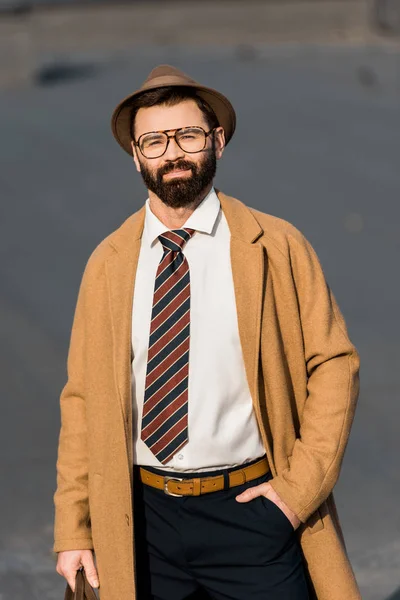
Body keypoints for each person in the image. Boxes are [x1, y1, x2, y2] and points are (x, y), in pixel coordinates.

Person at [53, 65, 361, 600]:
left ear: (216, 141)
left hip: (253, 512)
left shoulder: (276, 246)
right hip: (140, 520)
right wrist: (75, 528)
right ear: (136, 155)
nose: (172, 153)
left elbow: (335, 364)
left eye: (188, 135)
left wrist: (294, 495)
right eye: (154, 141)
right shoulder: (108, 263)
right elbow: (82, 399)